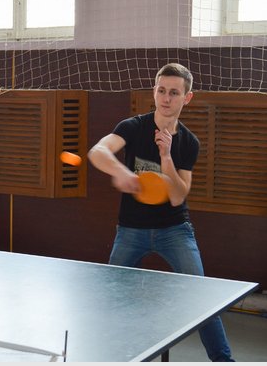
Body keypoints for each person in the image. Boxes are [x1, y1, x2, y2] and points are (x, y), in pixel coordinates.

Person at [87, 62, 234, 362]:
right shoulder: (133, 127)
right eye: (161, 90)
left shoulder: (189, 142)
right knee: (112, 297)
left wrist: (166, 157)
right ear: (154, 92)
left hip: (174, 231)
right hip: (131, 230)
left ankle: (224, 361)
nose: (166, 98)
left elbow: (178, 196)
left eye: (174, 93)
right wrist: (121, 171)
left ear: (187, 98)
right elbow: (98, 151)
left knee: (202, 299)